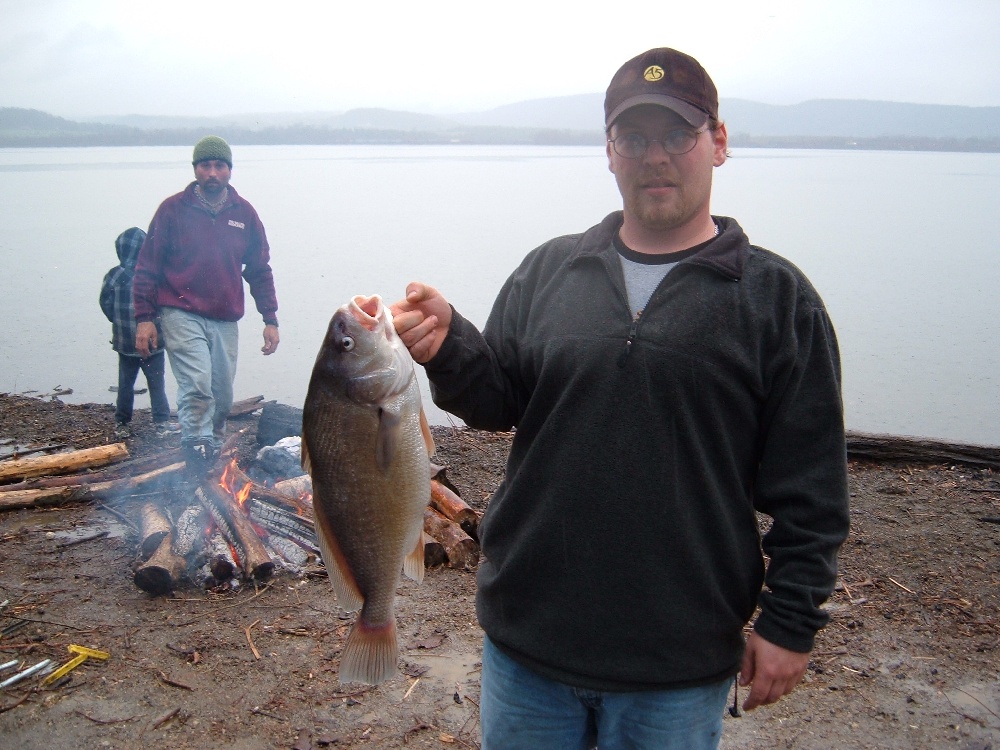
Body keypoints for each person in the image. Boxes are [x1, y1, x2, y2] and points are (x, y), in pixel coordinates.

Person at [391, 48, 850, 749]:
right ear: (609, 152)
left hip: (677, 661)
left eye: (677, 135)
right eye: (633, 138)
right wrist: (451, 347)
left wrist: (790, 623)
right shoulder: (552, 268)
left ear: (718, 143)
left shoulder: (775, 300)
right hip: (528, 642)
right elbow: (499, 398)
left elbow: (812, 491)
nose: (655, 156)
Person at [133, 135, 280, 473]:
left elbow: (259, 269)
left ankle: (210, 444)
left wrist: (270, 318)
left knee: (222, 394)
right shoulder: (172, 210)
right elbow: (147, 267)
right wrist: (145, 318)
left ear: (229, 170)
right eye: (205, 165)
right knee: (197, 384)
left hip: (225, 317)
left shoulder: (244, 214)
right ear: (195, 169)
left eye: (219, 165)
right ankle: (197, 450)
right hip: (179, 310)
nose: (212, 172)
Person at [99, 227, 178, 440]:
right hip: (154, 344)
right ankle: (161, 423)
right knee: (157, 384)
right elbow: (165, 306)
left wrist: (117, 322)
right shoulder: (154, 277)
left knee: (125, 384)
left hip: (125, 343)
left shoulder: (115, 276)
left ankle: (122, 423)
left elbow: (105, 302)